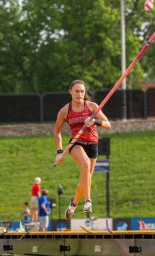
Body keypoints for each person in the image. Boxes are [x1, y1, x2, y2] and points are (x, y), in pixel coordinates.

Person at [54, 79, 111, 218]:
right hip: (76, 143)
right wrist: (60, 151)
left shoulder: (92, 106)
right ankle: (88, 201)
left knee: (86, 178)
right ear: (70, 92)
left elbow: (108, 124)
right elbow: (57, 132)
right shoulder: (64, 111)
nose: (79, 94)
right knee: (84, 164)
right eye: (76, 91)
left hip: (92, 144)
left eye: (82, 91)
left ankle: (73, 204)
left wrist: (95, 121)